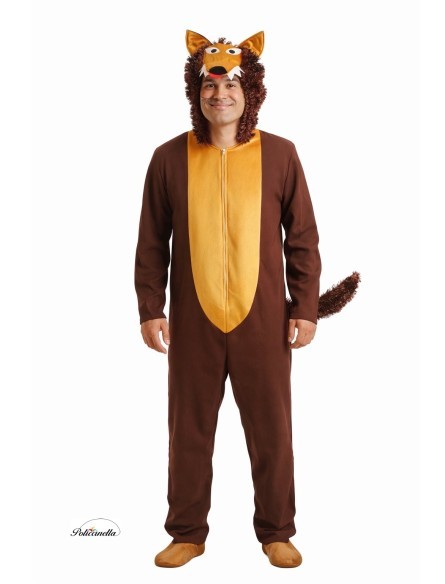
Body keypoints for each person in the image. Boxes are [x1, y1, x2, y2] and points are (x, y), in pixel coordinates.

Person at [134, 29, 359, 569]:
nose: (220, 95)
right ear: (196, 92)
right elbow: (151, 240)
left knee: (272, 429)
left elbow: (301, 237)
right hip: (193, 319)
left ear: (250, 90)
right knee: (188, 431)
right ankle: (186, 532)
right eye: (210, 87)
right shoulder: (168, 158)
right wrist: (150, 307)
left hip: (264, 319)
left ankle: (277, 531)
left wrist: (306, 307)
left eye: (231, 85)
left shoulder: (281, 154)